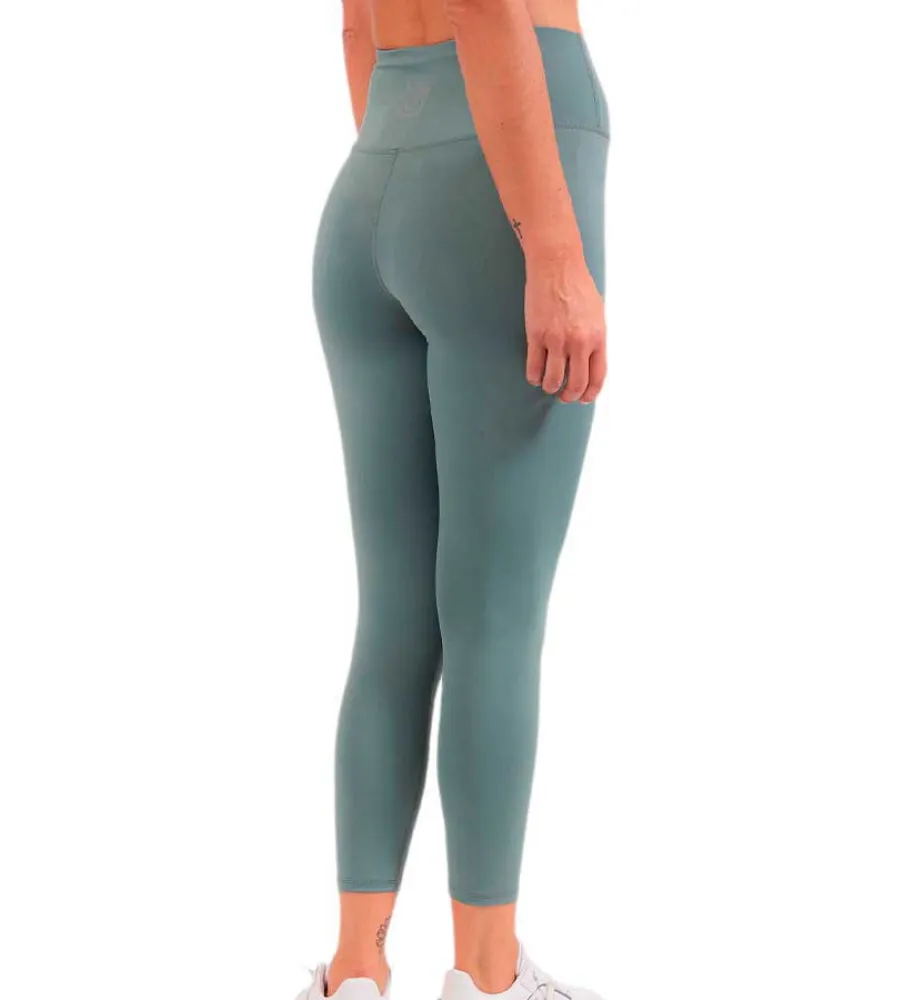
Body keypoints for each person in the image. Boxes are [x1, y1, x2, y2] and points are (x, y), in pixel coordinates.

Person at [304, 1, 610, 999]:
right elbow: (486, 4)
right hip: (503, 175)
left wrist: (418, 160)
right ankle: (487, 977)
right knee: (493, 614)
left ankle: (355, 968)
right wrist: (551, 249)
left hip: (373, 182)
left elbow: (356, 29)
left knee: (394, 615)